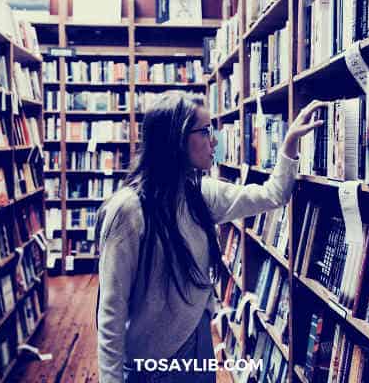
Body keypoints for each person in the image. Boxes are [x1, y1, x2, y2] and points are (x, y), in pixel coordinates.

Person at [96, 91, 326, 383]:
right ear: (176, 140)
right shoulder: (128, 210)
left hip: (199, 343)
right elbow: (111, 311)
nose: (214, 140)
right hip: (152, 364)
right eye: (205, 131)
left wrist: (290, 142)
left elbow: (272, 194)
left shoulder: (201, 194)